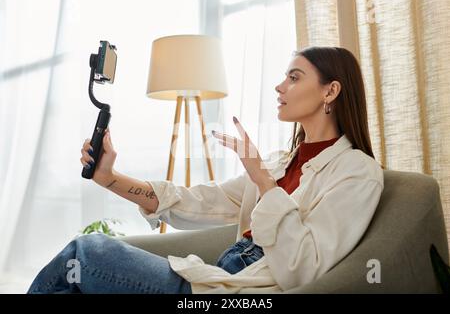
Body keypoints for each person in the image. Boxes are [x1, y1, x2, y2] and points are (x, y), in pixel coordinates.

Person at [28, 46, 384, 294]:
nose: (279, 86)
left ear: (330, 91)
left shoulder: (357, 172)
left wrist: (263, 181)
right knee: (74, 283)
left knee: (85, 254)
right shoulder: (281, 161)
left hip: (240, 288)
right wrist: (109, 178)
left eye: (294, 77)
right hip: (218, 272)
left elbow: (304, 268)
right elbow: (196, 202)